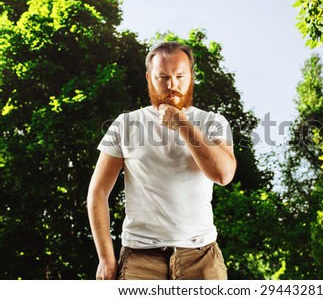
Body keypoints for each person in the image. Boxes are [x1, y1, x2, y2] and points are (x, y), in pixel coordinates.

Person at [87, 41, 237, 280]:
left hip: (201, 257)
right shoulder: (125, 124)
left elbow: (223, 175)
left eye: (180, 76)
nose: (172, 85)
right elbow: (97, 193)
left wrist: (183, 125)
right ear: (149, 78)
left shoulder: (213, 122)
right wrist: (106, 259)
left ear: (191, 77)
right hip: (140, 259)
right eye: (163, 77)